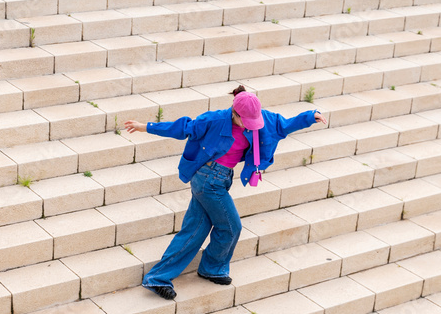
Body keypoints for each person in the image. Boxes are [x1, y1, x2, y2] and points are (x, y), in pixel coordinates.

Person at [124, 86, 327, 300]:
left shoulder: (263, 118)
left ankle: (163, 277)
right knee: (231, 227)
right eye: (246, 122)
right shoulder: (213, 120)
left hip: (222, 178)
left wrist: (310, 116)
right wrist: (145, 127)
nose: (251, 126)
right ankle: (211, 267)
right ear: (235, 113)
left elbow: (284, 125)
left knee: (194, 230)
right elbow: (182, 128)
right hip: (207, 180)